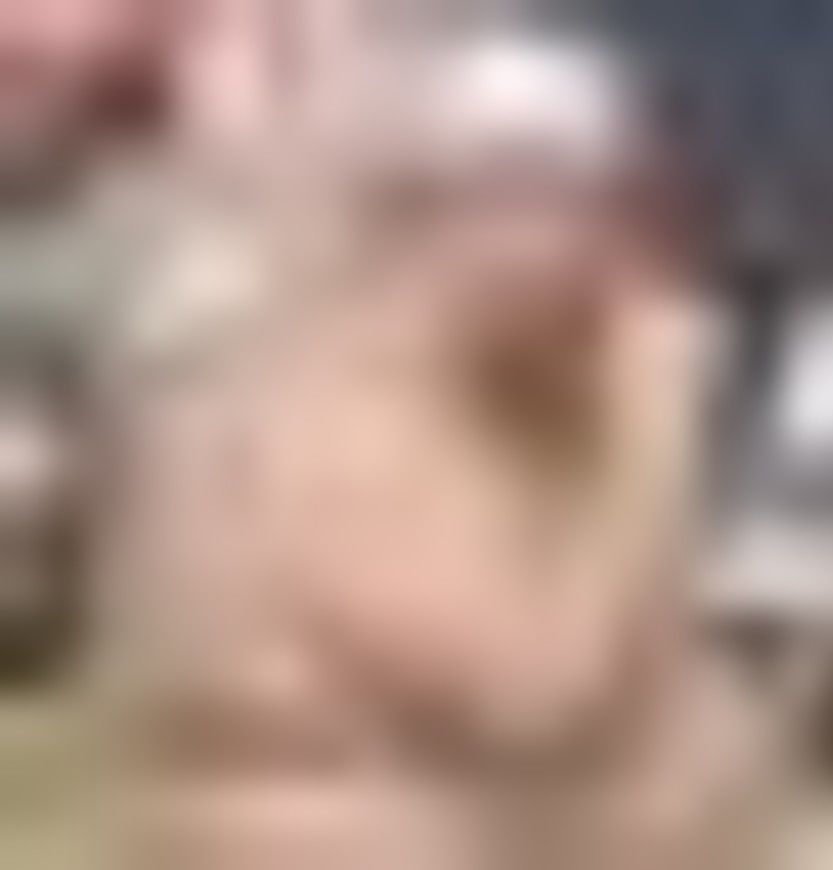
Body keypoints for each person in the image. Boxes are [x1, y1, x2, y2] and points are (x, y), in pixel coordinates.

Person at [133, 37, 757, 870]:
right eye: (585, 219)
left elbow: (680, 688)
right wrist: (658, 435)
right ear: (448, 214)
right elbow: (535, 700)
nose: (614, 276)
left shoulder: (518, 397)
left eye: (624, 224)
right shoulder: (331, 412)